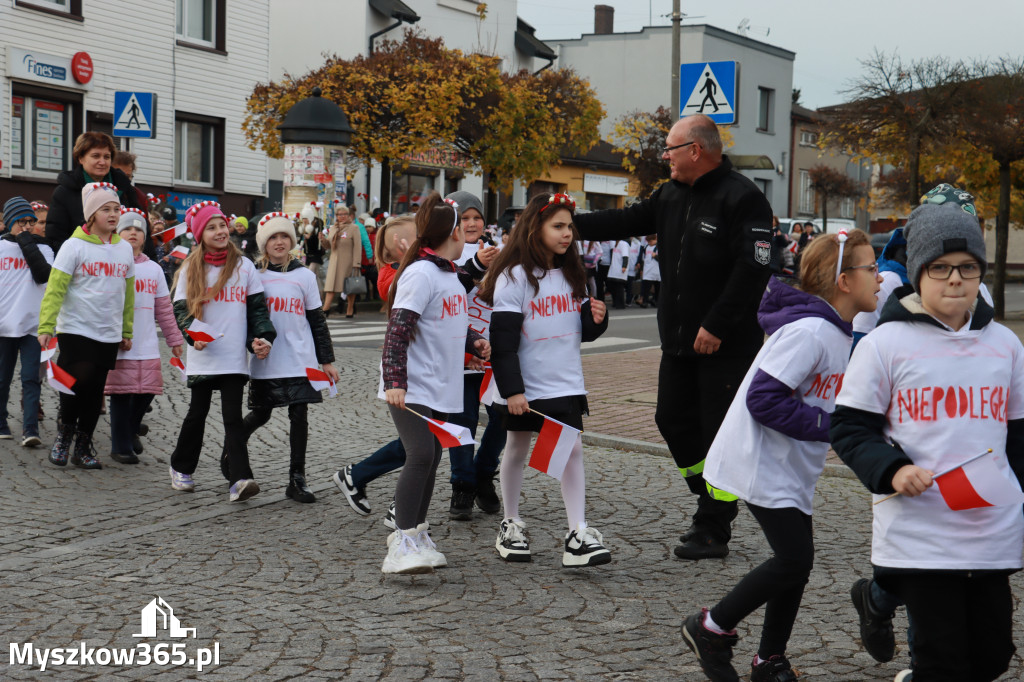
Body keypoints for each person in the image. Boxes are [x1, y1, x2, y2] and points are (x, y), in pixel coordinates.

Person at [832, 203, 1024, 682]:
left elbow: (1020, 439)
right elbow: (850, 428)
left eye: (967, 267)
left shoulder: (1006, 345)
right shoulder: (885, 344)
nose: (955, 279)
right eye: (939, 268)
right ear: (918, 272)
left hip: (991, 535)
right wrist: (892, 468)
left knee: (992, 658)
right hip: (920, 534)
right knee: (942, 662)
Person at [682, 230, 881, 682]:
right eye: (871, 268)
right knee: (794, 560)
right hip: (760, 460)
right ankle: (711, 627)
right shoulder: (810, 332)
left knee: (798, 563)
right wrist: (830, 428)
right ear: (844, 281)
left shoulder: (835, 331)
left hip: (790, 465)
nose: (880, 278)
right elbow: (764, 399)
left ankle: (769, 659)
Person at [573, 113, 774, 559]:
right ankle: (709, 494)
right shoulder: (669, 194)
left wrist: (718, 324)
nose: (664, 157)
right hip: (679, 341)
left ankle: (714, 526)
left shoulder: (743, 198)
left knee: (718, 430)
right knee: (671, 419)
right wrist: (569, 222)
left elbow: (754, 268)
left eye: (670, 149)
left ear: (695, 150)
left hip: (724, 343)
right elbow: (624, 220)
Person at [478, 192, 612, 567]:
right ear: (535, 228)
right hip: (527, 383)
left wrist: (598, 320)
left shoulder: (574, 273)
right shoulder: (513, 276)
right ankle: (511, 523)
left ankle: (577, 532)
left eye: (570, 226)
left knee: (572, 450)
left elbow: (580, 331)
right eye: (558, 226)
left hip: (566, 381)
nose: (567, 233)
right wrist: (513, 390)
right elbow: (503, 341)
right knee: (517, 448)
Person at [379, 193, 489, 574]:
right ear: (454, 232)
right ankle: (403, 540)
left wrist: (473, 341)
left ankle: (416, 533)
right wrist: (395, 381)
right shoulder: (421, 274)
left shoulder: (445, 274)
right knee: (421, 453)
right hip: (411, 384)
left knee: (434, 454)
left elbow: (449, 322)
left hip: (439, 383)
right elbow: (398, 330)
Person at [168, 201, 275, 501]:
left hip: (233, 357)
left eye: (222, 226)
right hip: (203, 355)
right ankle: (181, 467)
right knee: (197, 414)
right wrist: (192, 335)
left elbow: (257, 311)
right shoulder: (191, 267)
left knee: (232, 417)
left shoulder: (244, 266)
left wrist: (261, 338)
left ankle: (239, 478)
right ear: (200, 234)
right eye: (211, 227)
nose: (219, 231)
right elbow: (180, 310)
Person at [233, 214, 338, 503]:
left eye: (284, 237)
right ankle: (233, 450)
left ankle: (297, 478)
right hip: (267, 359)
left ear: (292, 241)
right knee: (261, 413)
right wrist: (250, 344)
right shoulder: (253, 274)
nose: (279, 242)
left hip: (299, 358)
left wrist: (326, 360)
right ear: (263, 243)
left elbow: (317, 321)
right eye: (272, 238)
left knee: (299, 414)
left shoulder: (304, 275)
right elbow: (243, 318)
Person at [37, 183, 135, 468]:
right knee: (75, 383)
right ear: (91, 214)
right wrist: (46, 326)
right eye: (106, 209)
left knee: (95, 389)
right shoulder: (73, 245)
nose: (114, 214)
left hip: (108, 330)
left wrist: (126, 330)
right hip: (76, 327)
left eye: (116, 209)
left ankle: (83, 444)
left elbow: (128, 295)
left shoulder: (124, 250)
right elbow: (55, 288)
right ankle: (64, 434)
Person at [332, 213, 416, 526]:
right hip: (406, 369)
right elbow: (392, 294)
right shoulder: (390, 274)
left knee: (425, 442)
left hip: (432, 367)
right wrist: (411, 262)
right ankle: (398, 505)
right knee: (422, 444)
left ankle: (360, 478)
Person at [103, 208, 184, 464]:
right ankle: (120, 446)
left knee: (146, 392)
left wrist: (174, 340)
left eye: (138, 229)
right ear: (118, 232)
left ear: (145, 236)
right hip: (119, 344)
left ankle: (131, 430)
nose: (133, 232)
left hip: (147, 343)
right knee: (120, 395)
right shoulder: (110, 264)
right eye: (127, 228)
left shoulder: (154, 270)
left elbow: (164, 309)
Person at [443, 190, 505, 520]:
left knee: (503, 417)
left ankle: (484, 473)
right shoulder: (444, 251)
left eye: (476, 217)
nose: (471, 223)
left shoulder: (499, 250)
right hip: (460, 351)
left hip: (494, 349)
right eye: (464, 218)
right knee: (463, 420)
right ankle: (462, 485)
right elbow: (445, 296)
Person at [0, 197, 53, 445]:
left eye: (31, 222)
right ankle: (1, 422)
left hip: (34, 327)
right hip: (3, 326)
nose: (28, 226)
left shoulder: (44, 249)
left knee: (31, 379)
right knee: (2, 378)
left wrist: (25, 243)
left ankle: (30, 429)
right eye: (22, 222)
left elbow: (44, 276)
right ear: (10, 222)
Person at [47, 132, 145, 254]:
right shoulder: (65, 192)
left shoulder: (124, 188)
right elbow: (56, 236)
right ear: (81, 158)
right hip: (82, 264)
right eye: (95, 156)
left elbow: (141, 227)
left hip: (121, 262)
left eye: (106, 157)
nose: (102, 162)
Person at [322, 206, 361, 318]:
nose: (342, 216)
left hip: (348, 262)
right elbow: (328, 246)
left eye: (344, 214)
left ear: (349, 215)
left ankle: (350, 308)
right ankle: (325, 309)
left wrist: (356, 263)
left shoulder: (354, 228)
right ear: (337, 216)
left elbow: (358, 246)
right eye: (339, 214)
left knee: (349, 287)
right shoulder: (333, 228)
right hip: (334, 262)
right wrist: (323, 240)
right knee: (330, 287)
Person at [605, 238, 630, 309]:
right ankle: (615, 302)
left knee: (619, 288)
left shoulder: (624, 244)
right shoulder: (616, 243)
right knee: (613, 286)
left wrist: (624, 266)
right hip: (614, 269)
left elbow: (625, 256)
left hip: (620, 269)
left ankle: (620, 304)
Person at [639, 235, 660, 307]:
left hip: (657, 272)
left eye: (651, 241)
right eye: (648, 241)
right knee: (646, 288)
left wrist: (656, 256)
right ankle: (645, 302)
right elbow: (644, 259)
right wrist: (642, 269)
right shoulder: (647, 247)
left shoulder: (658, 247)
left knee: (657, 288)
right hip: (648, 271)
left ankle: (656, 301)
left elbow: (664, 259)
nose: (650, 243)